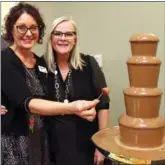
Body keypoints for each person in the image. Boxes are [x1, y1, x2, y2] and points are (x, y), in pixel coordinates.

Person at [1, 3, 99, 165]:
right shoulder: (5, 60)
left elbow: (49, 98)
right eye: (21, 28)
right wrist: (73, 108)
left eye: (33, 28)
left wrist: (84, 110)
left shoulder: (40, 63)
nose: (28, 33)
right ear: (11, 29)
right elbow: (28, 103)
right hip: (15, 140)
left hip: (40, 138)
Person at [43, 16, 110, 165]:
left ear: (75, 39)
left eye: (68, 34)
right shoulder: (40, 66)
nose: (63, 38)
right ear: (50, 38)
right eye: (58, 33)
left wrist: (101, 146)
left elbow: (103, 105)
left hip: (86, 144)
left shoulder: (89, 64)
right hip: (51, 147)